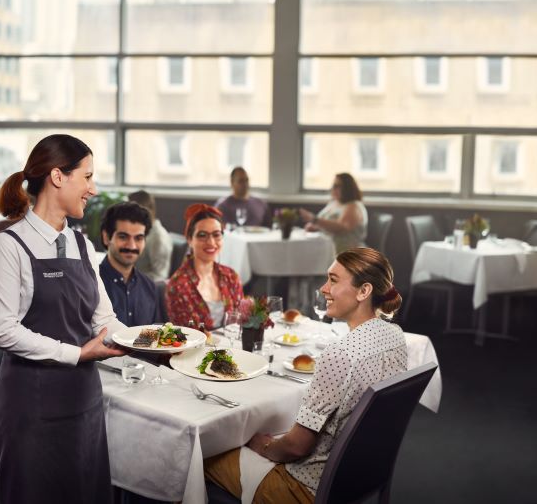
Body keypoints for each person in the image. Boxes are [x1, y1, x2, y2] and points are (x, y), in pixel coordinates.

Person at [0, 134, 127, 504]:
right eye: (88, 177)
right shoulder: (8, 246)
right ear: (58, 177)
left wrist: (150, 342)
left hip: (84, 404)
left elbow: (103, 318)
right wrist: (78, 353)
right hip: (30, 405)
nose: (93, 189)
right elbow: (3, 332)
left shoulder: (83, 245)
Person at [204, 247, 407, 503]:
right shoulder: (395, 335)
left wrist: (262, 446)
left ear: (364, 291)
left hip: (304, 488)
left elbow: (295, 447)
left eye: (333, 280)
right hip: (359, 475)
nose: (324, 288)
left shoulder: (340, 355)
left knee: (200, 452)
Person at [165, 204, 243, 329]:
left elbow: (239, 325)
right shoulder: (178, 285)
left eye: (216, 234)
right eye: (202, 235)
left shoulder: (232, 277)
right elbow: (185, 338)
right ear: (190, 239)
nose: (211, 242)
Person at [99, 201, 162, 326]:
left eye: (138, 238)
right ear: (106, 237)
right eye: (123, 237)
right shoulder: (91, 284)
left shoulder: (149, 287)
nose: (131, 246)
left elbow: (157, 336)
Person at [299, 172, 368, 253]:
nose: (333, 188)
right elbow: (327, 225)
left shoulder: (353, 206)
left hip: (348, 254)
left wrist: (314, 220)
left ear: (347, 188)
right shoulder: (334, 203)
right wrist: (316, 227)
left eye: (337, 186)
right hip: (329, 250)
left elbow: (342, 228)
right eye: (333, 185)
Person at [128, 189, 173, 281]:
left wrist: (130, 280)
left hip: (140, 289)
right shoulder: (140, 231)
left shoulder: (158, 238)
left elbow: (160, 276)